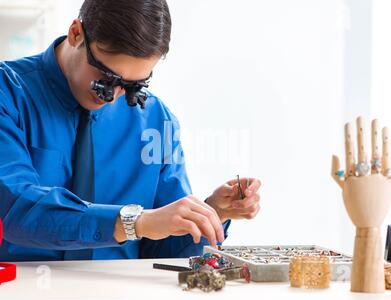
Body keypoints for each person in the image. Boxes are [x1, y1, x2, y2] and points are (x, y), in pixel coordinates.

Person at [0, 0, 261, 262]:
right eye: (106, 79)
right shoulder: (8, 94)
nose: (112, 97)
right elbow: (15, 210)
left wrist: (210, 214)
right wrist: (133, 222)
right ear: (76, 33)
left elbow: (161, 253)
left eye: (133, 85)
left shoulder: (156, 120)